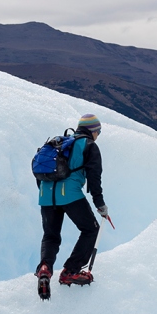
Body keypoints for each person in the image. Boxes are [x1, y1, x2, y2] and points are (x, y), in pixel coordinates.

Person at [36, 114, 108, 292]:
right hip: (70, 194)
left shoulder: (60, 142)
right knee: (90, 230)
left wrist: (47, 194)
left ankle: (45, 268)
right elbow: (94, 177)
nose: (98, 135)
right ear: (92, 130)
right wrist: (99, 204)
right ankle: (71, 271)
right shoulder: (89, 145)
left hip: (45, 195)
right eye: (98, 131)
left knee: (51, 236)